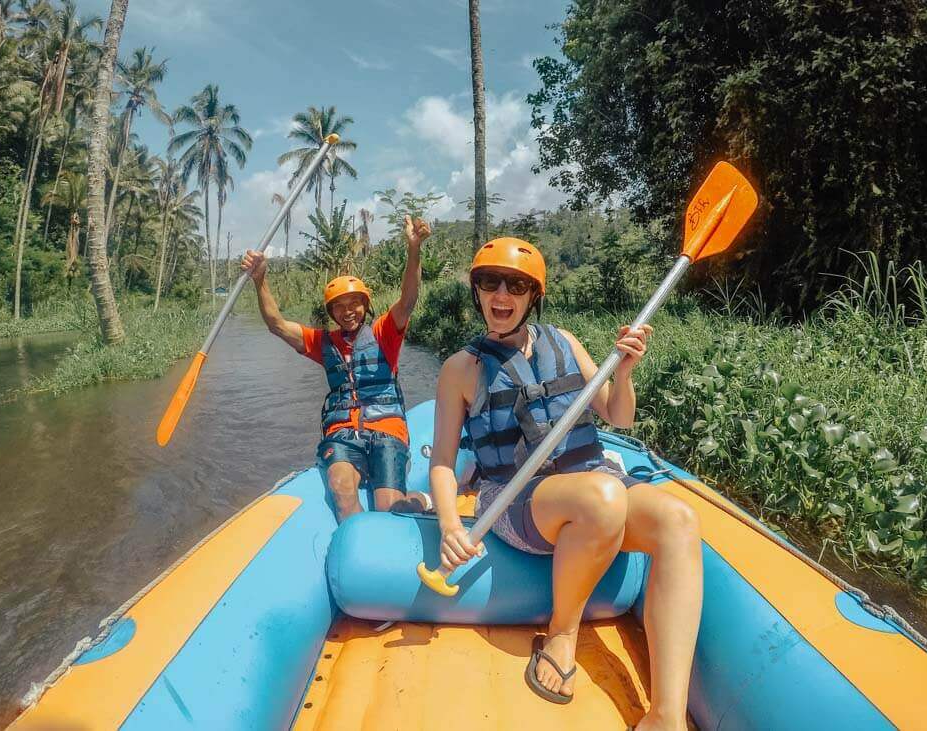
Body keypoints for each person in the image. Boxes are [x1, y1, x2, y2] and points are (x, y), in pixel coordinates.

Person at [428, 237, 702, 727]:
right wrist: (450, 523)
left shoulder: (566, 342)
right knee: (602, 498)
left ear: (534, 295)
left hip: (593, 483)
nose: (501, 294)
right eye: (490, 282)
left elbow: (619, 416)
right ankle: (561, 632)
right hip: (519, 502)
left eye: (516, 285)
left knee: (678, 520)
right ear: (477, 291)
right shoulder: (460, 370)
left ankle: (666, 715)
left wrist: (627, 373)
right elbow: (445, 462)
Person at [242, 215, 433, 521]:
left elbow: (408, 299)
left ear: (365, 305)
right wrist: (260, 279)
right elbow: (276, 325)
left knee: (389, 508)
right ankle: (357, 548)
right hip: (343, 433)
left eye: (355, 303)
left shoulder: (385, 333)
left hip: (386, 429)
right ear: (331, 312)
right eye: (340, 306)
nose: (349, 312)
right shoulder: (323, 343)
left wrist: (414, 249)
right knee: (342, 491)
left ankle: (420, 499)